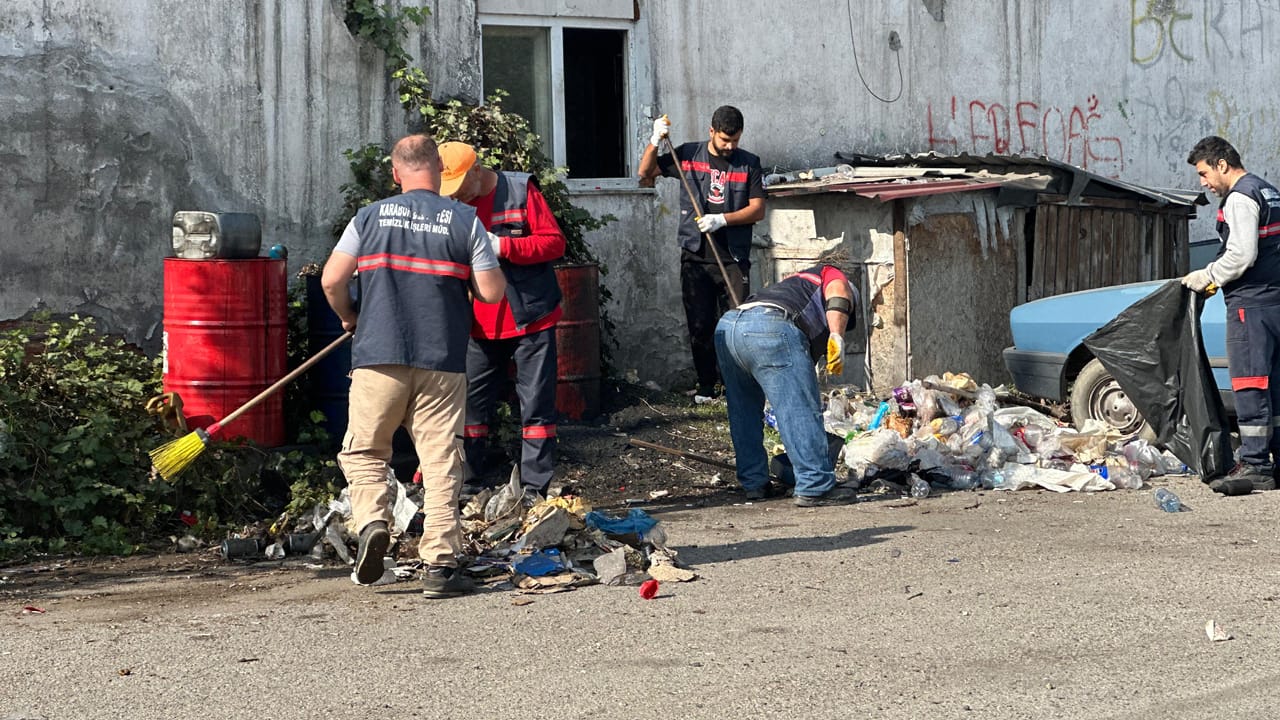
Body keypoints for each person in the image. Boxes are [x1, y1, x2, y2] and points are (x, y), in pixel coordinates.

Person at [321, 134, 507, 597]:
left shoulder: (368, 217)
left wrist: (350, 316)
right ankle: (441, 566)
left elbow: (331, 279)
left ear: (395, 173)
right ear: (439, 172)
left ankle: (372, 525)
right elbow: (492, 293)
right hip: (442, 359)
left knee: (365, 451)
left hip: (378, 355)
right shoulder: (465, 220)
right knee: (441, 458)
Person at [437, 141, 566, 495]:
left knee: (537, 408)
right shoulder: (451, 203)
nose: (457, 195)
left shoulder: (521, 191)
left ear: (476, 170)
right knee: (471, 409)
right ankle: (467, 484)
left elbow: (554, 243)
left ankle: (534, 489)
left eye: (460, 186)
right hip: (478, 324)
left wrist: (504, 247)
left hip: (531, 319)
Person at [638, 105, 765, 398]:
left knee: (736, 324)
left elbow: (758, 210)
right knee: (700, 325)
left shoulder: (748, 164)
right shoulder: (688, 155)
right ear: (712, 132)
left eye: (735, 140)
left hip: (733, 258)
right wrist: (655, 140)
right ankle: (707, 386)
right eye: (724, 140)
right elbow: (645, 174)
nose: (730, 146)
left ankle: (737, 388)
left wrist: (723, 219)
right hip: (695, 255)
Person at [714, 262, 859, 506]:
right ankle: (815, 485)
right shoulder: (830, 274)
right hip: (770, 326)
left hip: (728, 327)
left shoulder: (792, 285)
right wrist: (837, 335)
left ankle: (754, 483)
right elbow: (839, 292)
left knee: (743, 411)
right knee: (799, 408)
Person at [1183, 135, 1280, 495]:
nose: (1204, 184)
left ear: (1222, 164)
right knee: (1277, 386)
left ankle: (1255, 464)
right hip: (1275, 299)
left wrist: (1207, 276)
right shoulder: (1268, 191)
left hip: (1251, 306)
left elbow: (1241, 255)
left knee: (1250, 383)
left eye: (1204, 173)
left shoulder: (1240, 197)